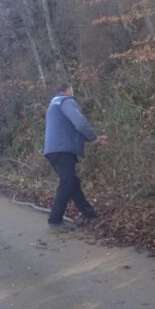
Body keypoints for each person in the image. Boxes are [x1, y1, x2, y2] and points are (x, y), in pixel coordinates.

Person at [43, 83, 107, 231]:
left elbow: (67, 129)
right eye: (72, 90)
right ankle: (55, 221)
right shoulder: (66, 101)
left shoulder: (53, 104)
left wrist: (93, 138)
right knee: (67, 183)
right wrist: (94, 138)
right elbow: (79, 123)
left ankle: (89, 213)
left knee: (72, 182)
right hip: (63, 150)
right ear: (68, 90)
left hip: (52, 150)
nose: (73, 93)